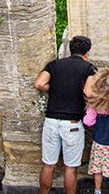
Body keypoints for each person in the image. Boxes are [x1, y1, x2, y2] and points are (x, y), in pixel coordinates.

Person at [34, 36, 96, 194]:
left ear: (70, 49)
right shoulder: (88, 68)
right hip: (72, 124)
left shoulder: (55, 64)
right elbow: (88, 92)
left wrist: (53, 87)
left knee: (48, 164)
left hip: (51, 121)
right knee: (70, 167)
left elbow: (39, 83)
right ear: (86, 53)